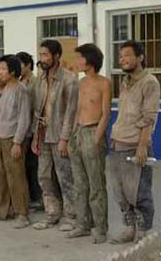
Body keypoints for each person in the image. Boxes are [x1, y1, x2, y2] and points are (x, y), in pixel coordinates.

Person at [109, 40, 160, 244]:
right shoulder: (125, 81)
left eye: (128, 55)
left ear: (140, 57)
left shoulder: (149, 82)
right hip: (118, 143)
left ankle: (144, 230)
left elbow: (149, 117)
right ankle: (130, 228)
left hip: (135, 144)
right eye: (121, 56)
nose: (123, 59)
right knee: (121, 192)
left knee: (139, 192)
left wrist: (142, 146)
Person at [65, 44, 111, 244]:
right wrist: (71, 136)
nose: (77, 62)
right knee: (80, 183)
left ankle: (100, 228)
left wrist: (96, 138)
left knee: (96, 185)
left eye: (80, 58)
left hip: (93, 132)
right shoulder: (81, 83)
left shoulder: (104, 83)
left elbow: (106, 113)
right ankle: (83, 224)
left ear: (90, 59)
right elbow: (77, 110)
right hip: (79, 132)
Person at [31, 39, 78, 231]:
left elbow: (71, 113)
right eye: (40, 55)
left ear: (56, 56)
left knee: (65, 176)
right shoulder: (40, 80)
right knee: (44, 176)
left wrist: (65, 139)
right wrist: (35, 136)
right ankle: (52, 213)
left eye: (45, 55)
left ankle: (72, 216)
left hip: (60, 136)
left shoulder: (69, 79)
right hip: (43, 135)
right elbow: (37, 110)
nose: (42, 59)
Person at [0, 55, 31, 229]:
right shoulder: (4, 89)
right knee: (1, 176)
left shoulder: (20, 90)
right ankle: (4, 210)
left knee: (16, 177)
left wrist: (17, 142)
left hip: (13, 139)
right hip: (1, 138)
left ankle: (22, 213)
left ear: (13, 71)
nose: (0, 73)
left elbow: (24, 118)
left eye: (3, 69)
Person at [16, 51, 42, 210]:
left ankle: (38, 197)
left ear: (27, 65)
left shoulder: (35, 82)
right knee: (24, 166)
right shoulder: (19, 82)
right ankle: (29, 196)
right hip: (20, 129)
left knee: (34, 166)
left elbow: (37, 108)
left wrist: (35, 132)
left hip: (32, 129)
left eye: (19, 64)